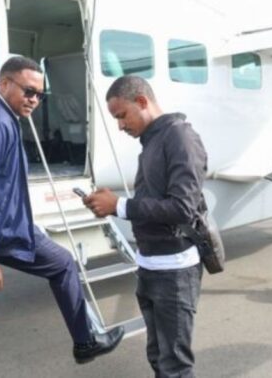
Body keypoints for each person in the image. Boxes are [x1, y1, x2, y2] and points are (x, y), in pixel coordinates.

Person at [0, 56, 123, 378]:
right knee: (62, 265)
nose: (34, 99)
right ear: (4, 84)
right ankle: (85, 342)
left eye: (39, 95)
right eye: (28, 91)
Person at [83, 75, 208, 378]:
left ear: (142, 101)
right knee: (157, 356)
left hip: (175, 270)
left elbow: (183, 208)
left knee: (174, 365)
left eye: (122, 115)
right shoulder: (153, 140)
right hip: (150, 266)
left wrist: (120, 206)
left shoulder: (180, 138)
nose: (120, 126)